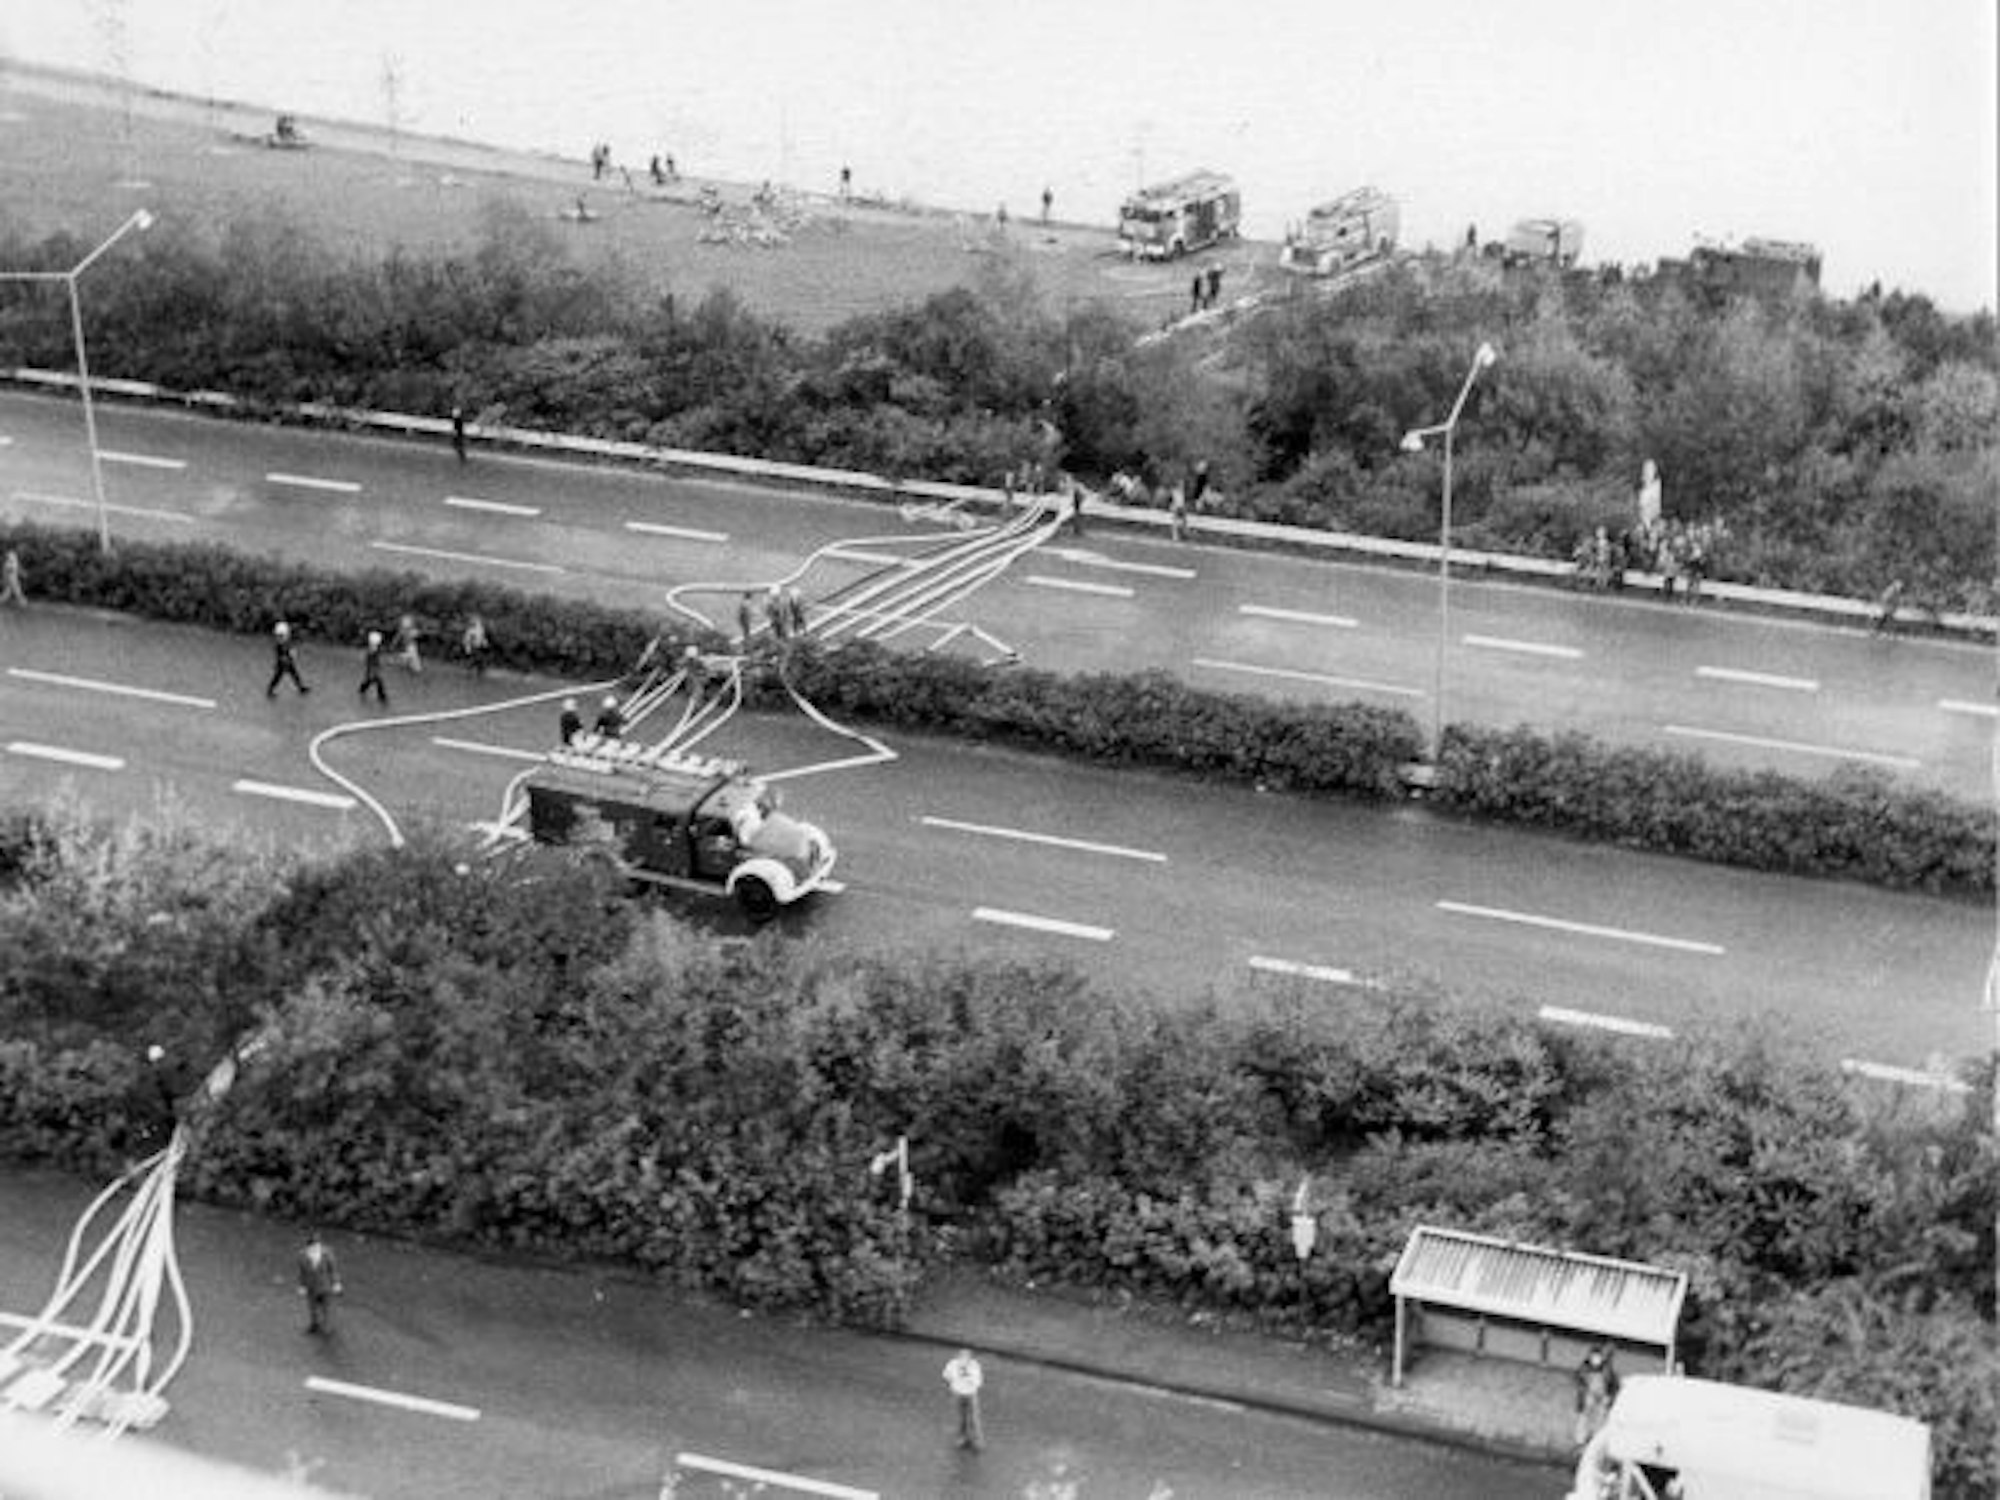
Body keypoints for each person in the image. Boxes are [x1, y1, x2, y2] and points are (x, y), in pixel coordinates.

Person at [1573, 1341, 1620, 1449]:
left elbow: (1614, 1385)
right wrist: (1583, 1392)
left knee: (1600, 1421)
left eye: (1598, 1355)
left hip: (1602, 1399)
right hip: (1588, 1398)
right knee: (1584, 1419)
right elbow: (1578, 1380)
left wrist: (1609, 1397)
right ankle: (1580, 1442)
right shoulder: (1584, 1367)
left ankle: (1594, 1442)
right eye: (1594, 1354)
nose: (1596, 1358)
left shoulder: (1607, 1369)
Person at [298, 1231, 342, 1335]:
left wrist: (336, 1283)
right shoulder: (302, 1256)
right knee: (312, 1308)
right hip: (311, 1287)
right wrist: (302, 1285)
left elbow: (333, 1270)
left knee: (327, 1308)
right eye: (312, 1246)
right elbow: (302, 1273)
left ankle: (328, 1326)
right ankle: (314, 1324)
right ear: (308, 1246)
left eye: (317, 1245)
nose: (315, 1248)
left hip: (325, 1286)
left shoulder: (327, 1254)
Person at [943, 1348, 984, 1451]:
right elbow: (946, 1376)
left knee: (974, 1419)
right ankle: (962, 1437)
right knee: (960, 1417)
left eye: (967, 1359)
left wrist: (968, 1379)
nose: (964, 1361)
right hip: (957, 1394)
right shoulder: (952, 1364)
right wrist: (952, 1386)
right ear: (958, 1357)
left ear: (970, 1359)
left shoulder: (975, 1366)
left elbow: (978, 1382)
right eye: (962, 1358)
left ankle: (977, 1440)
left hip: (971, 1395)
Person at [266, 621, 309, 696]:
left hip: (287, 661)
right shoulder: (279, 644)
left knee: (294, 674)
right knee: (277, 677)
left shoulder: (284, 642)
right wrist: (288, 655)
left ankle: (301, 688)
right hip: (283, 663)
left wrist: (291, 653)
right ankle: (270, 690)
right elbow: (281, 654)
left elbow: (288, 649)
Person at [357, 630, 388, 705]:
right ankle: (382, 698)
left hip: (373, 670)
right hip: (372, 670)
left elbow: (375, 660)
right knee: (375, 681)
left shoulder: (374, 650)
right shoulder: (371, 651)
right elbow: (370, 661)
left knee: (373, 681)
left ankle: (381, 697)